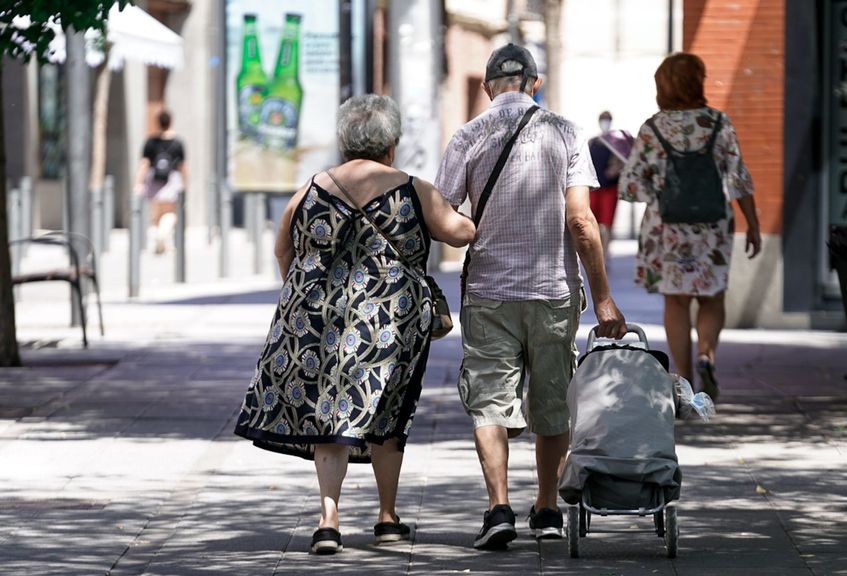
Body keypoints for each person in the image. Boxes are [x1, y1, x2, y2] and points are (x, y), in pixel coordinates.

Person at [234, 94, 475, 555]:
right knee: (389, 412)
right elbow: (460, 232)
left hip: (319, 319)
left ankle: (329, 521)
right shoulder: (411, 188)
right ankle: (387, 517)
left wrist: (304, 293)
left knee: (330, 415)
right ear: (391, 145)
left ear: (344, 142)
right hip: (390, 323)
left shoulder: (311, 187)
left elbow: (283, 247)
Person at [435, 43, 627, 551]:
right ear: (535, 84)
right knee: (552, 403)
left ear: (487, 86)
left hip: (489, 293)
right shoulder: (566, 133)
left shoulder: (467, 136)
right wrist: (604, 298)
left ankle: (498, 507)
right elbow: (582, 221)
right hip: (552, 292)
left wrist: (470, 232)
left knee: (489, 404)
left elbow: (445, 216)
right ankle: (546, 510)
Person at [619, 52, 761, 402]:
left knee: (677, 302)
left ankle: (683, 380)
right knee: (712, 298)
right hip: (712, 227)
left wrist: (658, 191)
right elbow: (739, 178)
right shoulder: (718, 123)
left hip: (667, 230)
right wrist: (754, 225)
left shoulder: (653, 129)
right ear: (697, 82)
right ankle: (706, 355)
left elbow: (629, 186)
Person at [133, 111, 186, 255]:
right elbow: (182, 166)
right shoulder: (177, 143)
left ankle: (158, 239)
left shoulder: (151, 142)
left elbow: (144, 164)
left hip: (154, 180)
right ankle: (163, 235)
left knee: (156, 214)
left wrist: (138, 182)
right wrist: (185, 183)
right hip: (171, 179)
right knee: (169, 212)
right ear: (171, 122)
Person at [587, 111, 634, 257]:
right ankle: (595, 252)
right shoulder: (593, 141)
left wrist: (615, 169)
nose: (605, 122)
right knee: (592, 222)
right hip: (594, 188)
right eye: (603, 119)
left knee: (607, 223)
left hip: (610, 188)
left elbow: (625, 160)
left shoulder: (617, 142)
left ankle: (604, 254)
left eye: (607, 120)